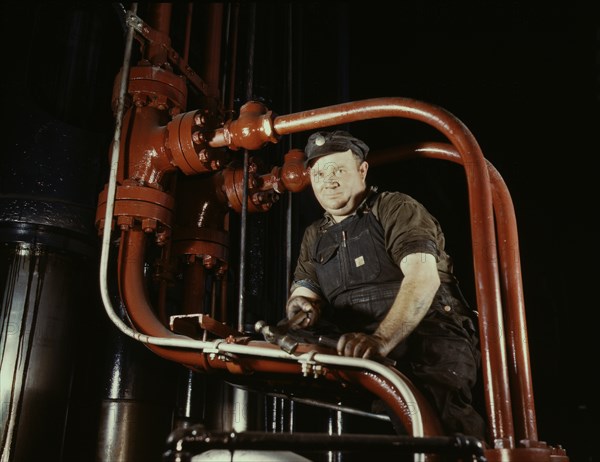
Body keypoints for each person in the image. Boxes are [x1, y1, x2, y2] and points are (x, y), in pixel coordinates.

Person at [285, 129, 487, 442]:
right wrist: (301, 308)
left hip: (424, 332)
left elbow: (424, 278)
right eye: (320, 173)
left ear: (362, 170)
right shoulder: (316, 235)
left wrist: (380, 340)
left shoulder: (395, 208)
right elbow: (304, 292)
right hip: (355, 337)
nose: (328, 181)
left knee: (437, 423)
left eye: (339, 169)